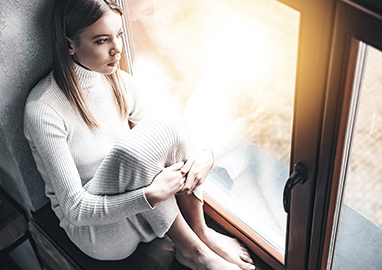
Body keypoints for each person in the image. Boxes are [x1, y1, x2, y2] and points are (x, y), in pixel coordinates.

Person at [23, 0, 255, 269]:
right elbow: (76, 210)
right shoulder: (44, 109)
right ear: (69, 45)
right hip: (102, 235)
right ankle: (194, 253)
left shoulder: (115, 80)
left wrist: (204, 154)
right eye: (101, 41)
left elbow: (172, 128)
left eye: (119, 35)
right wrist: (150, 196)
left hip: (146, 214)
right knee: (129, 152)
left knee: (165, 123)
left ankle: (199, 231)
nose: (116, 49)